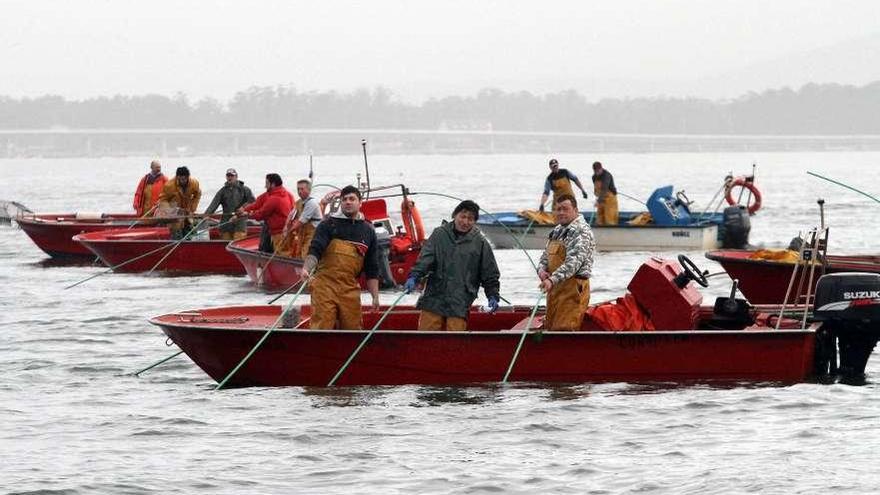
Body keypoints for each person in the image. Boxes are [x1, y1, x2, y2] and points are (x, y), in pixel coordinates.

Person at [404, 200, 501, 331]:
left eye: (471, 219)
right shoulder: (439, 234)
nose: (465, 222)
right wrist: (414, 276)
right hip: (434, 297)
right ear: (455, 215)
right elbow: (425, 259)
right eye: (463, 216)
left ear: (475, 221)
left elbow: (490, 274)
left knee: (455, 338)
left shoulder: (481, 243)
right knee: (426, 335)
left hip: (460, 301)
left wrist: (493, 295)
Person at [300, 185, 380, 330]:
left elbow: (372, 268)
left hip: (349, 289)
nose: (348, 202)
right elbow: (315, 249)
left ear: (360, 203)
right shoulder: (327, 224)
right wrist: (306, 268)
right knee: (322, 327)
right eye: (344, 199)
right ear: (340, 203)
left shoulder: (368, 230)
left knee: (353, 329)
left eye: (352, 199)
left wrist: (375, 296)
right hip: (324, 286)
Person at [537, 193, 596, 331]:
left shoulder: (581, 231)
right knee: (550, 328)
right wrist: (541, 271)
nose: (561, 212)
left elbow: (573, 263)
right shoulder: (557, 230)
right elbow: (545, 256)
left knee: (563, 329)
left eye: (565, 209)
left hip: (573, 289)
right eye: (558, 209)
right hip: (555, 290)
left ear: (575, 210)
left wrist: (551, 280)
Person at [238, 173, 293, 253]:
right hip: (285, 230)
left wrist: (248, 214)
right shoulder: (287, 194)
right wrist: (245, 209)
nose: (265, 186)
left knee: (281, 253)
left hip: (279, 232)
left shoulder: (274, 198)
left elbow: (261, 214)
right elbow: (257, 203)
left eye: (267, 183)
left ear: (273, 184)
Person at [203, 168, 255, 240]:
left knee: (238, 241)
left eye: (232, 176)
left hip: (240, 221)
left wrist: (243, 208)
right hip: (226, 222)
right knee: (225, 243)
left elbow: (253, 202)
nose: (230, 177)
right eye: (228, 176)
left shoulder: (245, 189)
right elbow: (213, 204)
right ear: (226, 177)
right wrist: (206, 215)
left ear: (236, 177)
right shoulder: (222, 191)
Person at [281, 179, 323, 258]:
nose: (299, 191)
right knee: (298, 251)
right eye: (298, 189)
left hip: (313, 232)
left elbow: (301, 221)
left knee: (306, 252)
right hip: (303, 232)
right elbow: (291, 215)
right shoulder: (299, 202)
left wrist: (289, 231)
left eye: (302, 189)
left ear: (309, 190)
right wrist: (286, 227)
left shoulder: (312, 203)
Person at [157, 166, 202, 238]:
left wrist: (193, 207)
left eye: (184, 179)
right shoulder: (169, 185)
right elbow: (162, 200)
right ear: (177, 177)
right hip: (174, 214)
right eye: (181, 179)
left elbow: (198, 194)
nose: (183, 181)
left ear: (188, 177)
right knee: (176, 235)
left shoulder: (194, 183)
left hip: (187, 212)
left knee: (190, 233)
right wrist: (171, 211)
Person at [591, 161, 619, 226]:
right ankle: (600, 230)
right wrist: (597, 196)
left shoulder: (607, 175)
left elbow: (604, 189)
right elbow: (596, 188)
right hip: (601, 199)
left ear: (601, 168)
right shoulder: (594, 177)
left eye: (598, 171)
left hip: (610, 199)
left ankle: (611, 231)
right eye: (595, 171)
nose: (597, 173)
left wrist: (598, 201)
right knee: (599, 217)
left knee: (609, 218)